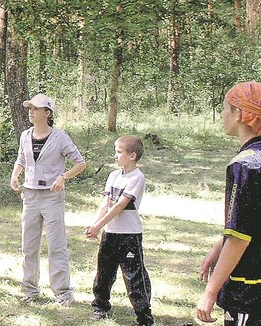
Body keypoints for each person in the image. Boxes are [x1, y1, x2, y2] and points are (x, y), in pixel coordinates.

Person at [196, 81, 261, 325]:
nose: (223, 115)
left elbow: (240, 237)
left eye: (226, 108)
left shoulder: (245, 165)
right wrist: (218, 247)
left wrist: (210, 292)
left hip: (253, 288)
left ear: (239, 113)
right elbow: (258, 219)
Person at [9, 93, 87, 304]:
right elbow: (21, 159)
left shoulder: (60, 137)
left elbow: (80, 162)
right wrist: (15, 175)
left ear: (48, 113)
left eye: (36, 108)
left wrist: (63, 177)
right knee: (29, 245)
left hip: (52, 197)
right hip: (30, 195)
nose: (31, 112)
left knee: (56, 245)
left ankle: (63, 292)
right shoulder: (25, 135)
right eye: (29, 108)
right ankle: (30, 291)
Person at [85, 135, 154, 325]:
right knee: (104, 272)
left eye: (118, 152)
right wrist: (95, 225)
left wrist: (98, 225)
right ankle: (101, 306)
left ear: (132, 156)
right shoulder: (113, 175)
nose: (115, 156)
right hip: (110, 234)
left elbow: (119, 206)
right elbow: (106, 204)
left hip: (129, 235)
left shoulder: (137, 177)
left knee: (133, 276)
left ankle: (144, 316)